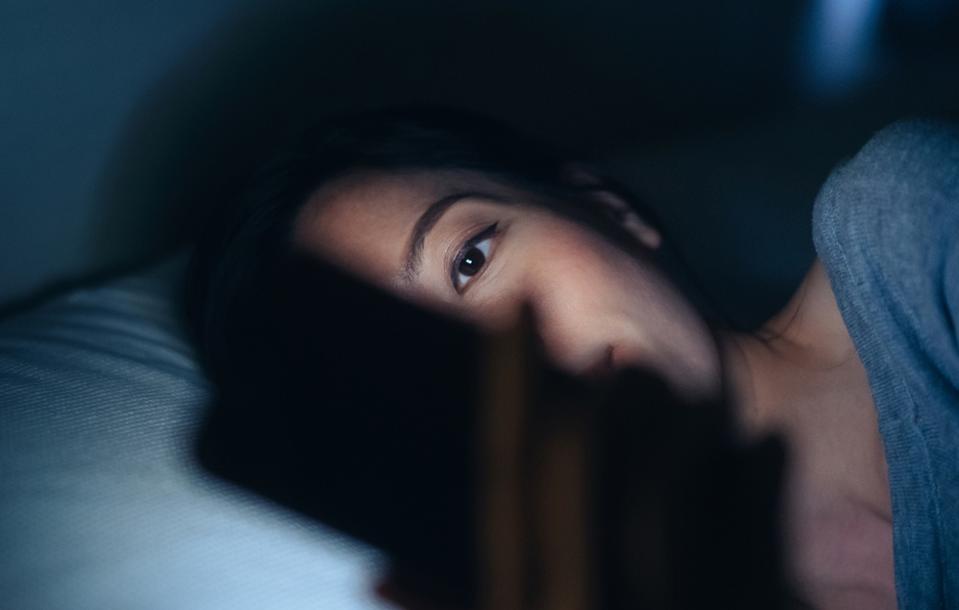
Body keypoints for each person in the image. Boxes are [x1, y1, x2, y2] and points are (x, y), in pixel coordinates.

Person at [188, 107, 958, 610]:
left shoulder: (903, 235)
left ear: (605, 208)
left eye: (469, 262)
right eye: (418, 363)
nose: (506, 351)